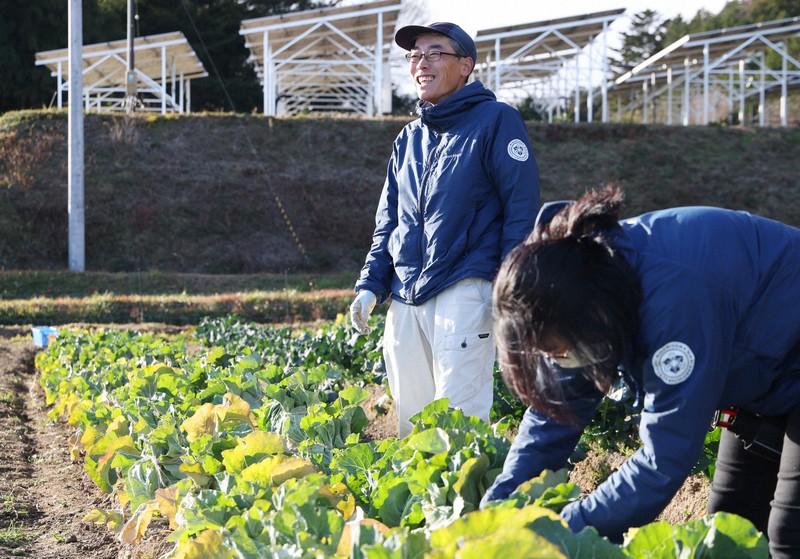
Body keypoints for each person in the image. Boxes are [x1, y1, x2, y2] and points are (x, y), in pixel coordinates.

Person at [480, 185, 800, 557]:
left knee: (789, 533)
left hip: (783, 353)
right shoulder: (582, 290)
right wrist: (496, 512)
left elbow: (665, 458)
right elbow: (554, 418)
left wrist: (562, 534)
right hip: (767, 369)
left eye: (555, 350)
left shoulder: (672, 301)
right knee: (729, 530)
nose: (556, 360)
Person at [349, 22, 540, 438]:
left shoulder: (496, 121)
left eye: (434, 53)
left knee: (459, 426)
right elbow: (388, 223)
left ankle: (466, 504)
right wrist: (371, 284)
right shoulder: (408, 139)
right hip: (405, 297)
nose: (421, 63)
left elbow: (520, 211)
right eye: (415, 55)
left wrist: (509, 288)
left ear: (465, 65)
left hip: (465, 288)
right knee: (412, 426)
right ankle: (423, 505)